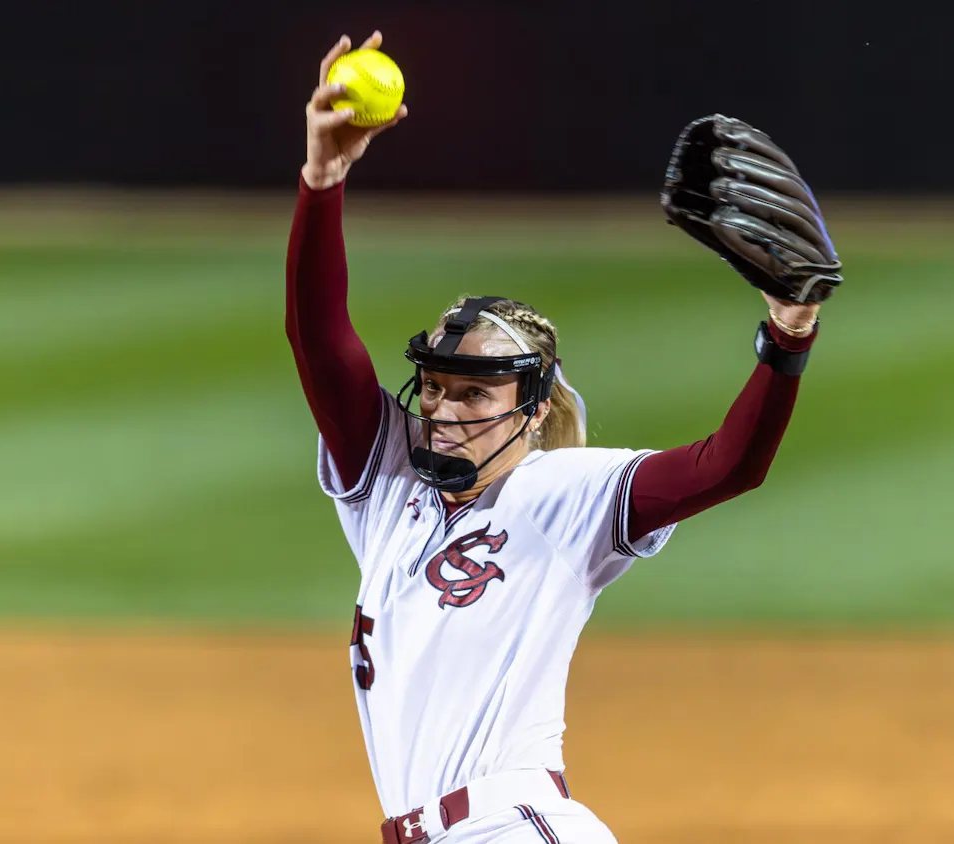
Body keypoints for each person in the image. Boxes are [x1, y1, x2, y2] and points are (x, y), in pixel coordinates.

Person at [287, 31, 834, 844]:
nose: (441, 407)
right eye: (434, 387)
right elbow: (321, 340)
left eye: (473, 391)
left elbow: (729, 465)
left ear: (534, 407)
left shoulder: (562, 494)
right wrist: (323, 177)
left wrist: (788, 334)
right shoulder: (388, 492)